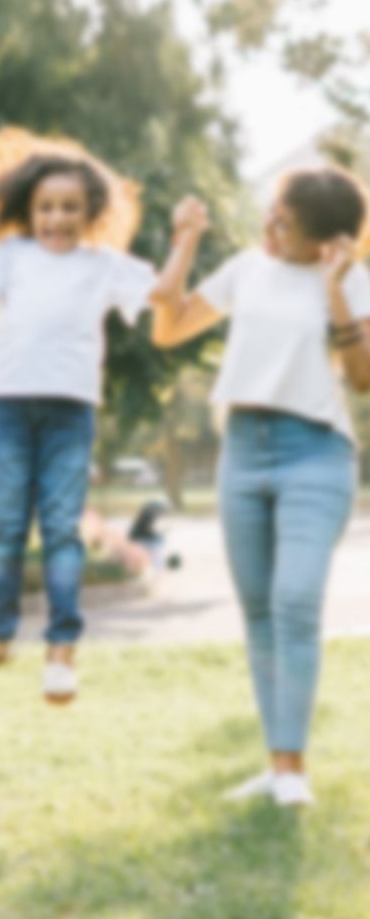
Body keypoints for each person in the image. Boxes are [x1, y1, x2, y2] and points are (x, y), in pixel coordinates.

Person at [151, 168, 370, 807]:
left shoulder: (353, 281)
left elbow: (362, 379)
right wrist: (185, 241)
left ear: (329, 241)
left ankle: (293, 772)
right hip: (242, 452)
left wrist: (334, 291)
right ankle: (278, 768)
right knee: (260, 616)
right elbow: (169, 329)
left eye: (286, 224)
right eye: (271, 213)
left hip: (316, 454)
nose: (270, 228)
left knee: (295, 601)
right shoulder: (248, 268)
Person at [0, 127, 159, 702]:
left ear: (90, 215)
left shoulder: (103, 264)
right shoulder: (12, 254)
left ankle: (61, 650)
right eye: (46, 207)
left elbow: (163, 295)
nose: (56, 218)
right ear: (28, 210)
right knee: (8, 529)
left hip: (70, 409)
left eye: (69, 208)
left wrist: (186, 238)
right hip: (9, 405)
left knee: (63, 529)